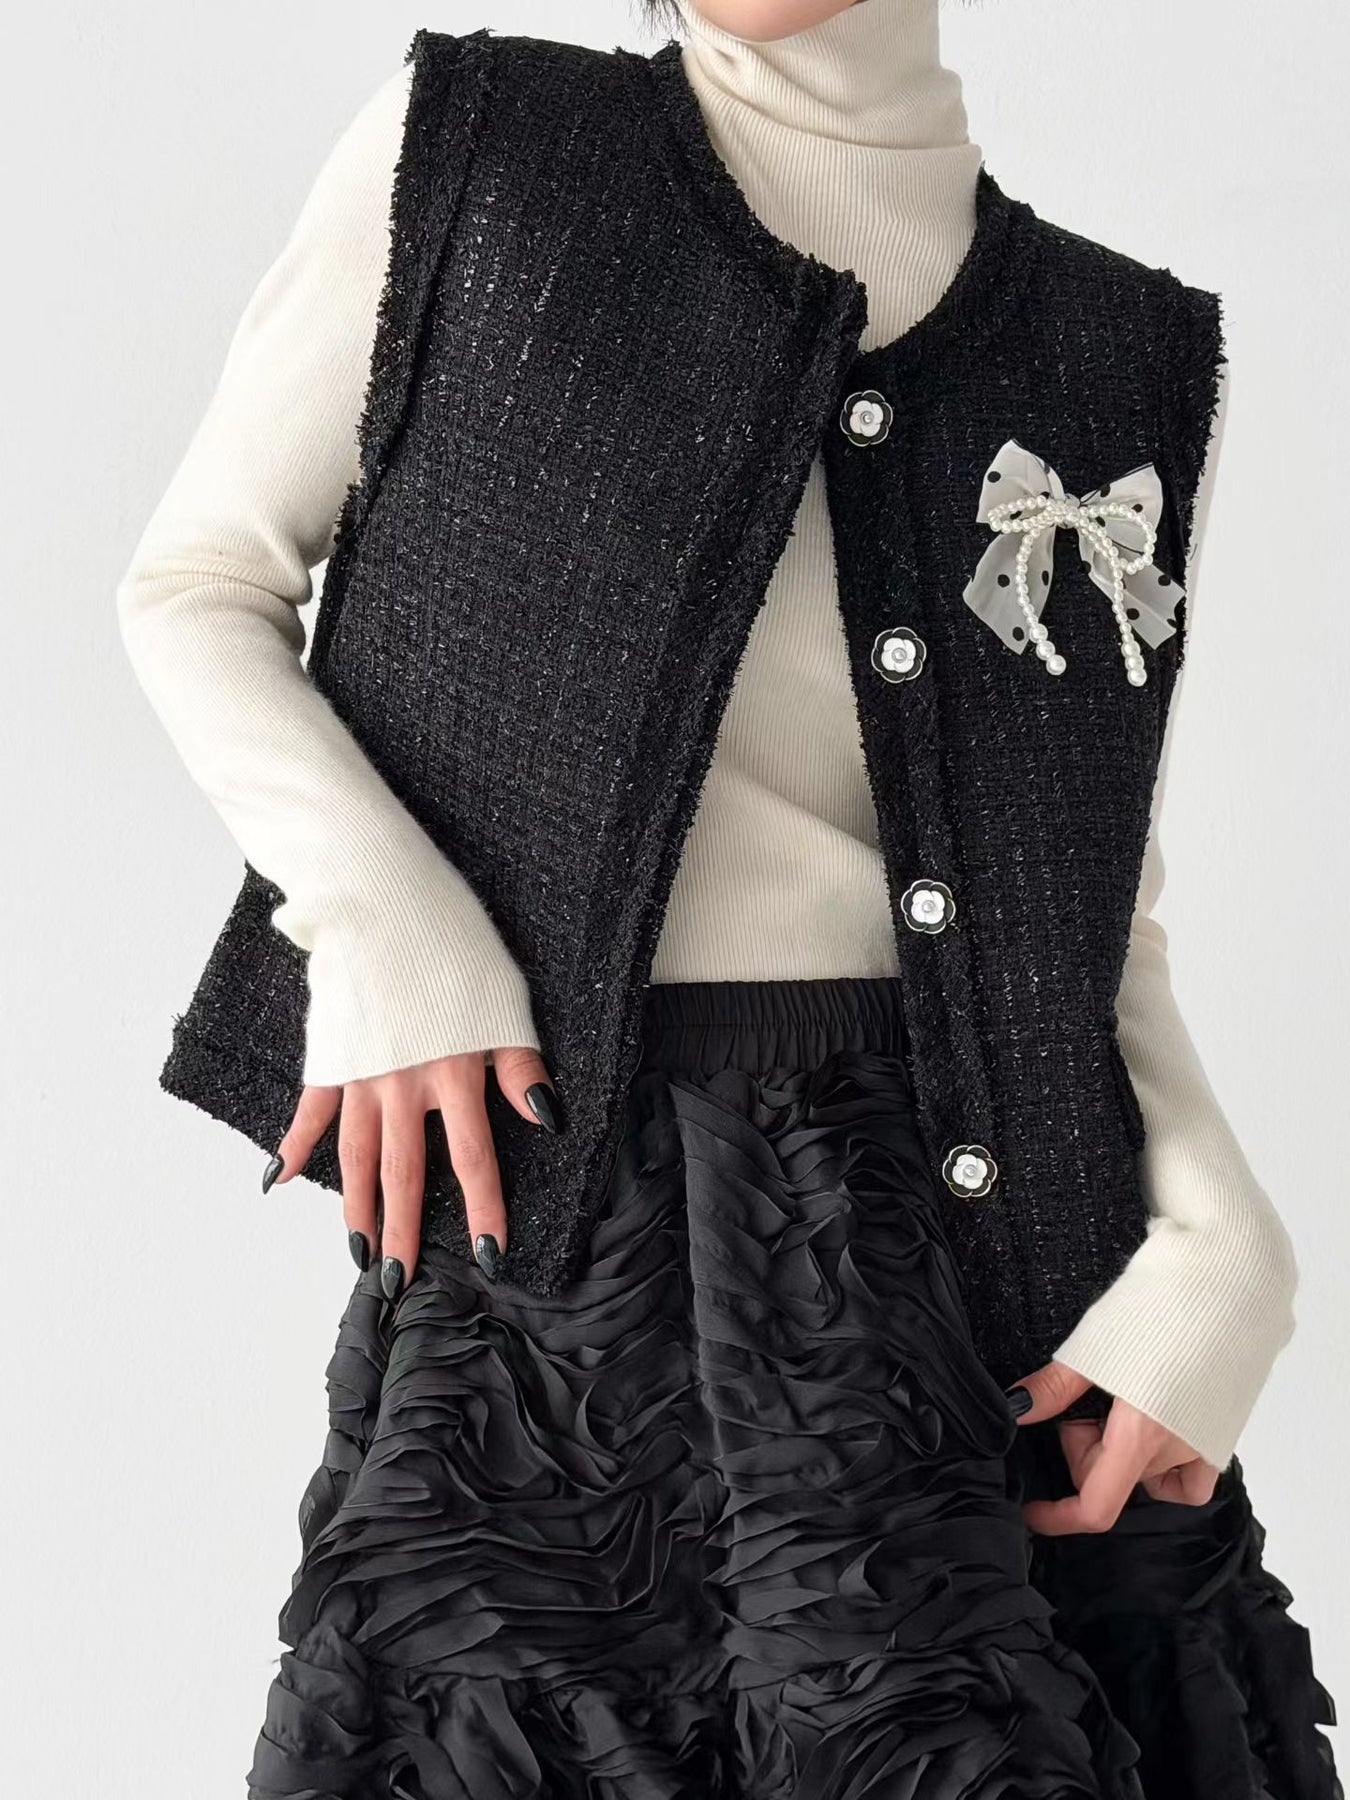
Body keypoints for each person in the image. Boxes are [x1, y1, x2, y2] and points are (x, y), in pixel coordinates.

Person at [116, 2, 1340, 1794]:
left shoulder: (1115, 344)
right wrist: (384, 925)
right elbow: (202, 583)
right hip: (563, 1226)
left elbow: (1090, 902)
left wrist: (1229, 1246)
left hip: (992, 1277)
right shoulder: (489, 153)